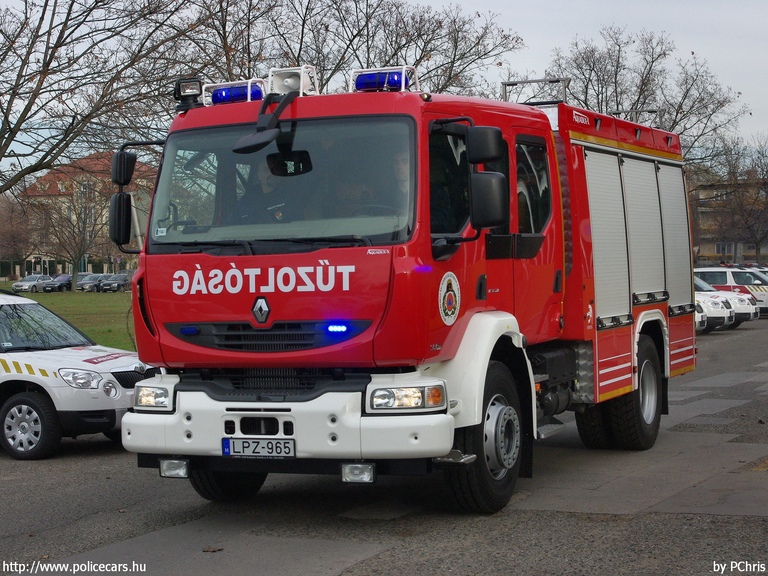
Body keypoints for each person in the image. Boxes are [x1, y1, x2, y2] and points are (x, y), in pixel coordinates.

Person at [229, 158, 302, 224]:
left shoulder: (291, 197)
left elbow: (299, 227)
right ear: (258, 175)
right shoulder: (245, 202)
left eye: (275, 169)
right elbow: (229, 227)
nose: (271, 173)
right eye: (266, 169)